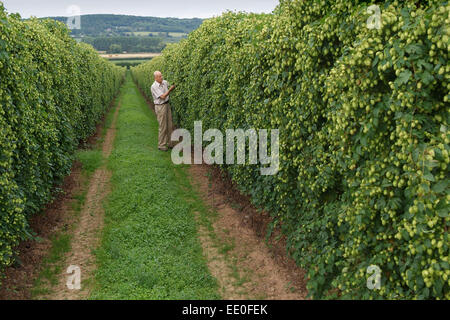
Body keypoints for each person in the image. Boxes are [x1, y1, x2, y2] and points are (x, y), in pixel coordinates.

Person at [151, 71, 176, 151]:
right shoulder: (154, 86)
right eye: (160, 76)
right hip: (160, 106)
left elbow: (172, 83)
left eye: (161, 76)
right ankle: (161, 145)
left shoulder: (164, 82)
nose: (162, 77)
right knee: (163, 126)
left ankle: (170, 143)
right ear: (156, 78)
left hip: (167, 105)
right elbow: (163, 96)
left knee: (170, 125)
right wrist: (170, 89)